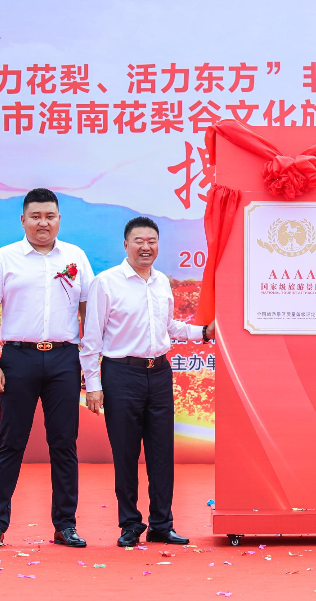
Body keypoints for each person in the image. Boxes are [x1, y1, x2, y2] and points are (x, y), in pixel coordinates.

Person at [81, 217, 216, 547]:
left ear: (158, 245)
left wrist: (203, 332)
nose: (146, 247)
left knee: (161, 453)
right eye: (139, 241)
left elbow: (169, 327)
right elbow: (91, 340)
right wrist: (93, 385)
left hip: (159, 373)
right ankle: (130, 524)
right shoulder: (106, 283)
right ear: (125, 245)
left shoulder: (161, 282)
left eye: (152, 241)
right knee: (126, 453)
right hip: (121, 375)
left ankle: (161, 524)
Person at [0, 188, 94, 550]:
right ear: (23, 220)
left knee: (64, 444)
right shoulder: (5, 257)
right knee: (11, 443)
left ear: (59, 219)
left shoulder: (75, 256)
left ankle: (65, 525)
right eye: (36, 216)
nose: (43, 223)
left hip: (64, 359)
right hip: (18, 358)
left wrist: (90, 365)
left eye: (50, 216)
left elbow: (89, 312)